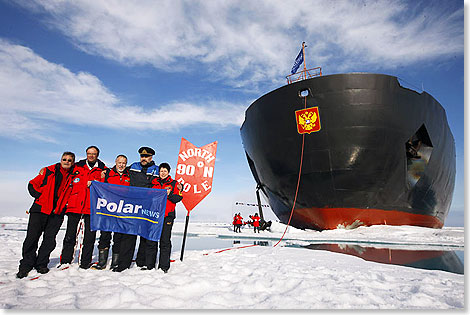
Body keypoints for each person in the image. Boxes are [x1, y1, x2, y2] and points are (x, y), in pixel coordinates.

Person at [16, 152, 76, 279]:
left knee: (49, 240)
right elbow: (32, 184)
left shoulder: (73, 175)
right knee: (32, 238)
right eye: (64, 159)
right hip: (40, 210)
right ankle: (26, 265)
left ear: (73, 162)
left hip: (57, 212)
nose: (66, 162)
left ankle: (41, 263)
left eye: (69, 160)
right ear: (60, 160)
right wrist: (41, 197)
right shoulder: (49, 171)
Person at [59, 146, 106, 269]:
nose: (91, 156)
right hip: (75, 206)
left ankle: (85, 263)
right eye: (89, 153)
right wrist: (46, 169)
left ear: (97, 155)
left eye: (93, 154)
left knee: (89, 238)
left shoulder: (103, 170)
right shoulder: (77, 166)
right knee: (70, 235)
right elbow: (63, 165)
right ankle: (65, 261)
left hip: (91, 208)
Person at [113, 146, 159, 272]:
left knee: (144, 236)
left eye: (146, 156)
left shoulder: (156, 169)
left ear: (151, 157)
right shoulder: (133, 166)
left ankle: (142, 262)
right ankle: (123, 264)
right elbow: (119, 171)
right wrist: (105, 172)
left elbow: (164, 182)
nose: (143, 158)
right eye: (142, 156)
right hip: (133, 207)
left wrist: (179, 186)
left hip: (148, 207)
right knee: (128, 236)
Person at [92, 154, 130, 270]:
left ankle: (115, 262)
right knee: (104, 236)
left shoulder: (129, 176)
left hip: (121, 211)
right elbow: (99, 186)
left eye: (124, 163)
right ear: (115, 162)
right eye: (119, 162)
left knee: (118, 237)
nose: (121, 165)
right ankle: (102, 262)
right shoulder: (107, 173)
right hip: (108, 210)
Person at [150, 162, 183, 273]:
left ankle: (164, 266)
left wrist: (169, 194)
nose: (162, 173)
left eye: (165, 171)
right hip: (154, 215)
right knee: (152, 240)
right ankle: (149, 265)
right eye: (161, 171)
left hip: (167, 216)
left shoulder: (174, 184)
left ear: (168, 172)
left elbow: (178, 198)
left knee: (164, 241)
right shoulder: (154, 182)